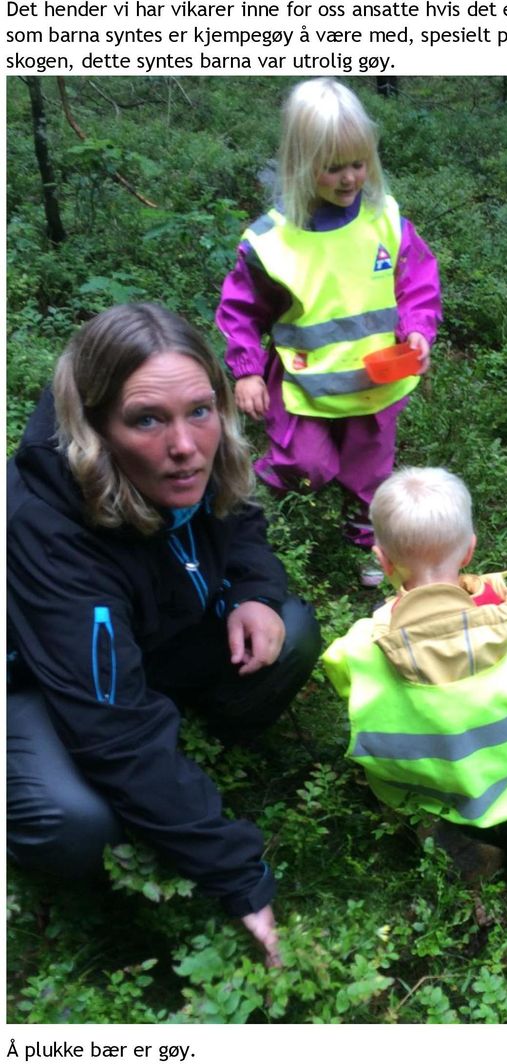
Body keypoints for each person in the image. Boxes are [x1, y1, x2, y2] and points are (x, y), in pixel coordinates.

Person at [6, 303, 323, 967]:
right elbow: (112, 731)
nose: (185, 445)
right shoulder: (46, 523)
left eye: (200, 411)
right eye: (146, 419)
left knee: (288, 628)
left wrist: (255, 593)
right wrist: (237, 876)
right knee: (77, 823)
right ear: (93, 427)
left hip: (140, 634)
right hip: (32, 674)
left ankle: (176, 750)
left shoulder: (191, 454)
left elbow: (238, 521)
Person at [217, 78, 442, 588]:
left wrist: (418, 330)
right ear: (300, 163)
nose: (348, 179)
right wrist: (248, 371)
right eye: (332, 167)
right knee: (307, 465)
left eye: (358, 164)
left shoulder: (385, 221)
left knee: (370, 474)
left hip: (377, 383)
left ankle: (369, 545)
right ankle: (254, 494)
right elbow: (241, 310)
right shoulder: (273, 242)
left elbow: (417, 283)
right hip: (307, 385)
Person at [322, 467, 507, 889]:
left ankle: (435, 829)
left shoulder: (361, 645)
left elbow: (339, 676)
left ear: (383, 560)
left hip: (423, 783)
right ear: (469, 551)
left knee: (400, 795)